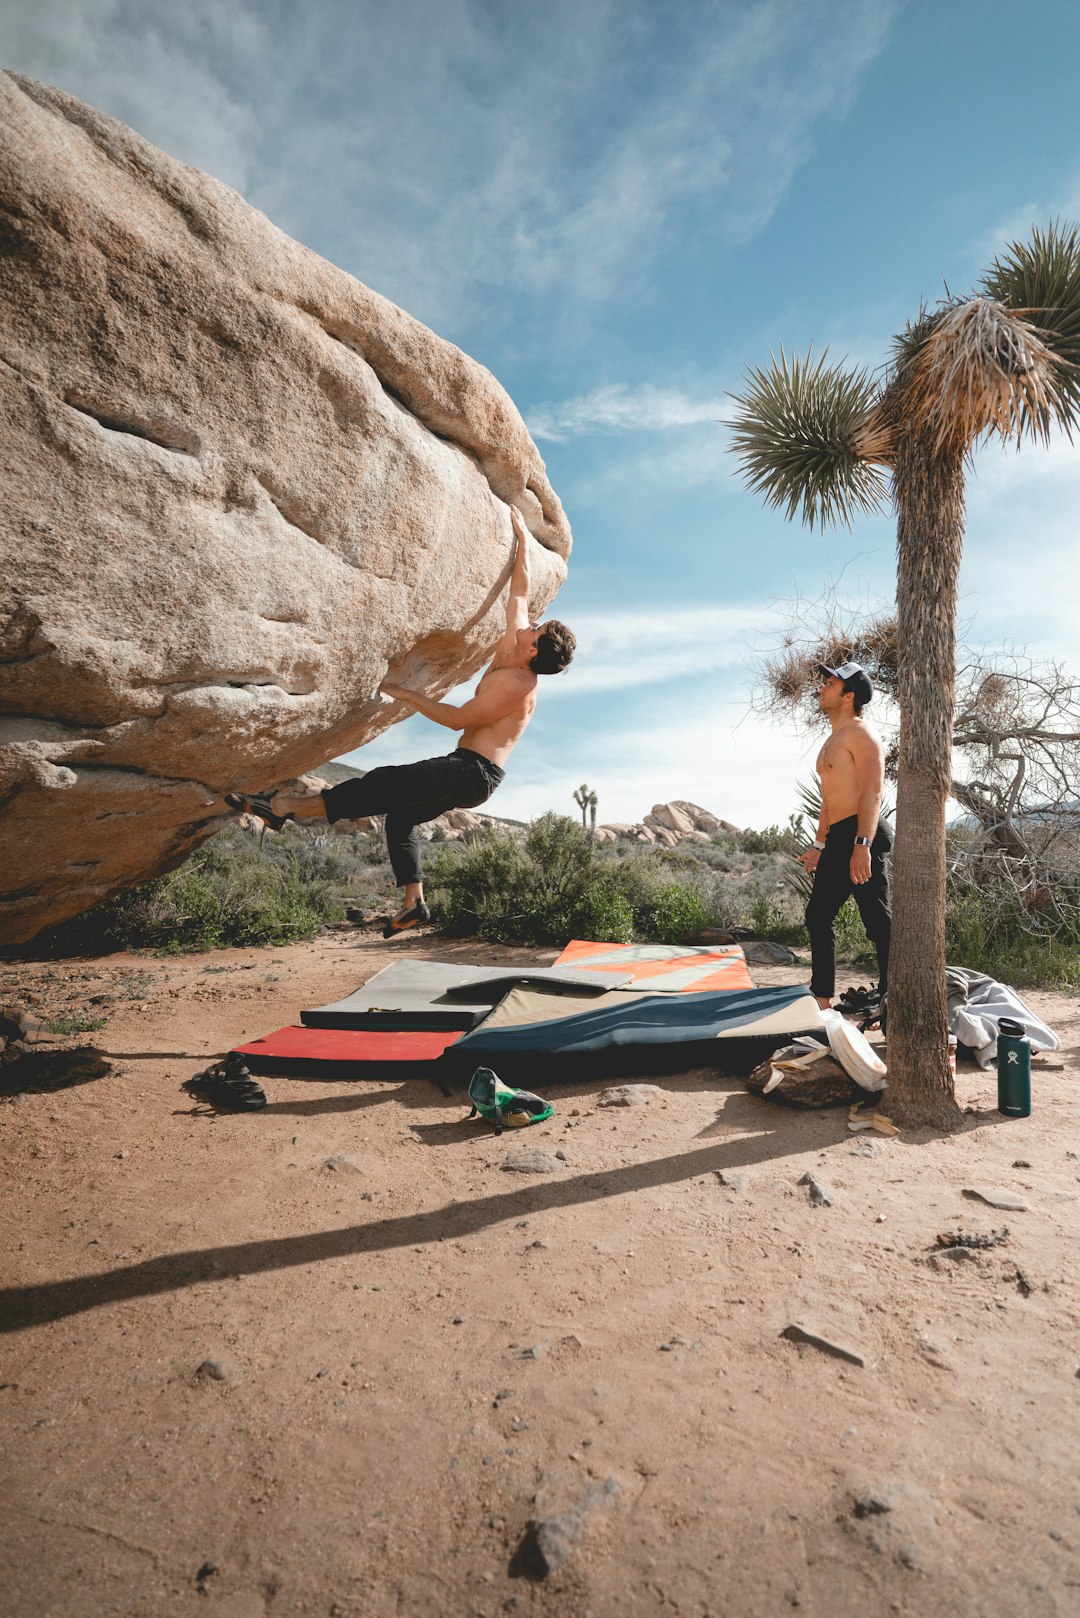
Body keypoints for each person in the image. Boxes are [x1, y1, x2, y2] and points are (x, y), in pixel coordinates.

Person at [226, 505, 575, 936]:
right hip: (465, 770)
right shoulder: (514, 647)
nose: (532, 624)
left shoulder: (518, 686)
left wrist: (406, 693)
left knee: (382, 784)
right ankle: (414, 905)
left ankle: (279, 807)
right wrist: (522, 541)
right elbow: (518, 595)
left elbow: (457, 718)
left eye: (537, 632)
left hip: (472, 773)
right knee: (400, 819)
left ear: (532, 653)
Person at [799, 661, 891, 1010]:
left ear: (849, 695)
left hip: (861, 834)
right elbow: (829, 800)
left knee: (877, 922)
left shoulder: (861, 733)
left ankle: (891, 992)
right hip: (839, 837)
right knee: (818, 917)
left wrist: (862, 845)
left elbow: (873, 791)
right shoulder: (833, 739)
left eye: (830, 683)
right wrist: (819, 845)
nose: (821, 688)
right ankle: (821, 1000)